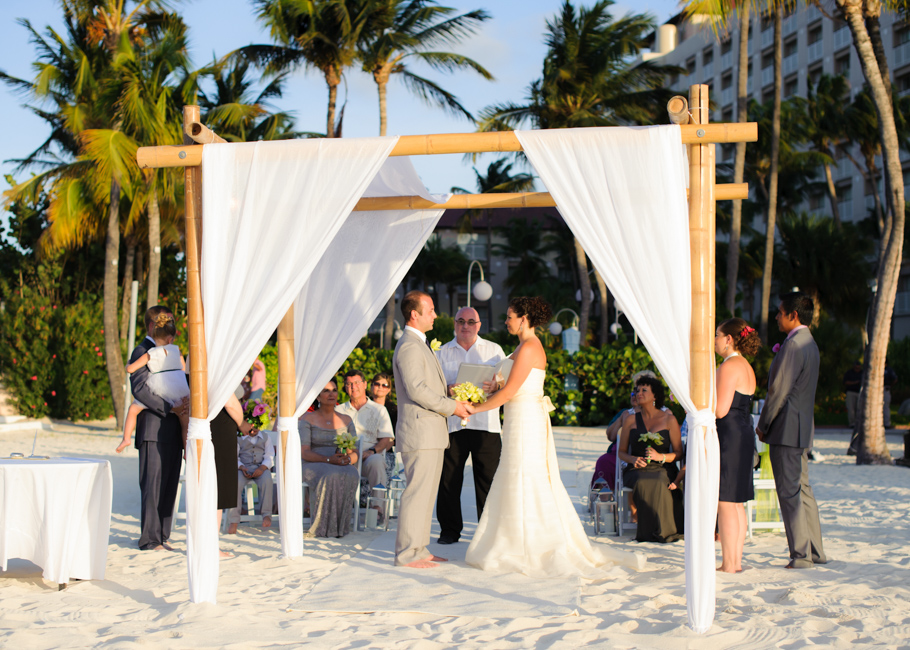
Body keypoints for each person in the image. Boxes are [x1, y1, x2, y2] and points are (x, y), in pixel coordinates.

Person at [466, 297, 643, 577]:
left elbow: (510, 392)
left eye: (510, 317)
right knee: (514, 475)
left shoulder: (530, 348)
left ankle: (531, 543)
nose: (506, 321)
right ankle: (513, 539)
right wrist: (491, 386)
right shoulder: (521, 347)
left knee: (525, 475)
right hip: (516, 419)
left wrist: (473, 408)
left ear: (524, 319)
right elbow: (504, 384)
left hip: (526, 420)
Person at [392, 290, 473, 568]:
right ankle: (407, 554)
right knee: (417, 493)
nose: (435, 315)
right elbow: (416, 389)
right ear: (414, 314)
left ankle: (420, 548)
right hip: (420, 432)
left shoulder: (419, 344)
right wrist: (452, 406)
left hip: (431, 432)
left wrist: (447, 392)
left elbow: (424, 386)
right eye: (431, 310)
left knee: (427, 495)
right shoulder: (410, 346)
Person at [756, 292, 827, 569]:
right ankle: (815, 551)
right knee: (803, 490)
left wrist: (763, 425)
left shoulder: (794, 345)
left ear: (792, 315)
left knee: (789, 493)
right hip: (802, 428)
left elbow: (778, 392)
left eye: (779, 312)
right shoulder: (810, 342)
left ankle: (800, 555)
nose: (776, 317)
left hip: (786, 429)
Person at [435, 307, 506, 545]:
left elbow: (505, 382)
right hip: (453, 424)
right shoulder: (442, 352)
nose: (465, 326)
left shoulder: (494, 350)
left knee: (488, 480)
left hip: (485, 424)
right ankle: (449, 531)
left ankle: (487, 533)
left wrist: (495, 387)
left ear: (479, 324)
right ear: (454, 324)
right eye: (461, 321)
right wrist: (447, 390)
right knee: (448, 480)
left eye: (470, 321)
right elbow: (432, 388)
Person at [128, 305, 187, 551]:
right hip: (153, 428)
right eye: (165, 322)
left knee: (170, 482)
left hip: (173, 426)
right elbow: (140, 388)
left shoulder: (172, 351)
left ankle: (163, 535)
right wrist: (170, 406)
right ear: (152, 325)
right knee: (152, 485)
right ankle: (149, 539)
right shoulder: (142, 351)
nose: (169, 326)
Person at [714, 318, 761, 573]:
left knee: (726, 500)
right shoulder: (746, 365)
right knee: (737, 501)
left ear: (729, 339)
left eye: (717, 335)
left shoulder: (731, 365)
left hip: (730, 436)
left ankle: (729, 564)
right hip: (743, 434)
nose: (715, 341)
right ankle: (736, 561)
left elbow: (720, 409)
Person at [618, 376, 684, 543]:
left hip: (663, 467)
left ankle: (665, 530)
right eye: (637, 390)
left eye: (644, 390)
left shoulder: (669, 419)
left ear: (655, 396)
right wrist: (633, 460)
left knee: (661, 478)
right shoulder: (630, 420)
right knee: (642, 480)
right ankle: (647, 531)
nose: (638, 393)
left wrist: (660, 457)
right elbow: (622, 452)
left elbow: (679, 453)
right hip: (636, 469)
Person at [116, 312, 189, 454]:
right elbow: (183, 369)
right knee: (185, 422)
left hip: (160, 388)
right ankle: (186, 451)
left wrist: (128, 364)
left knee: (133, 410)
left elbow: (131, 369)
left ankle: (126, 438)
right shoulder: (177, 351)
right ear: (170, 339)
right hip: (178, 387)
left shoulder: (150, 353)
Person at [299, 379, 360, 538]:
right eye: (326, 391)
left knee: (352, 473)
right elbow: (304, 452)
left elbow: (354, 451)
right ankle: (322, 527)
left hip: (339, 461)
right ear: (318, 397)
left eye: (334, 390)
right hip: (313, 462)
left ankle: (340, 527)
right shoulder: (307, 419)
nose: (331, 393)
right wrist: (327, 460)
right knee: (329, 474)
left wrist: (348, 460)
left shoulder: (346, 419)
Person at [336, 370, 394, 488]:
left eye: (357, 383)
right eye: (349, 384)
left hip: (369, 456)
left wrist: (371, 451)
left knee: (377, 461)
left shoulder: (379, 410)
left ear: (365, 384)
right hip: (345, 456)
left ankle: (378, 505)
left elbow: (386, 438)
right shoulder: (338, 410)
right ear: (345, 387)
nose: (353, 387)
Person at [228, 423, 275, 532]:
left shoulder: (265, 437)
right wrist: (241, 467)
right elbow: (234, 456)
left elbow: (269, 456)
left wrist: (262, 468)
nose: (253, 431)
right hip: (243, 468)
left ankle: (267, 514)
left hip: (261, 467)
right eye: (251, 429)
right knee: (235, 483)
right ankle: (234, 519)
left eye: (255, 429)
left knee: (267, 481)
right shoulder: (238, 437)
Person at [843, 360, 863, 429]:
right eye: (856, 368)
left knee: (859, 408)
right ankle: (852, 423)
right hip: (851, 392)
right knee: (851, 408)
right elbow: (845, 382)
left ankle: (859, 423)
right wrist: (855, 382)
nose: (857, 369)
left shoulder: (862, 373)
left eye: (859, 367)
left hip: (860, 392)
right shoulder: (849, 373)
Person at [884, 359, 898, 429]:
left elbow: (895, 379)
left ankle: (886, 423)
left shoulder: (889, 370)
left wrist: (890, 386)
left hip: (885, 388)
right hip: (876, 389)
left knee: (886, 406)